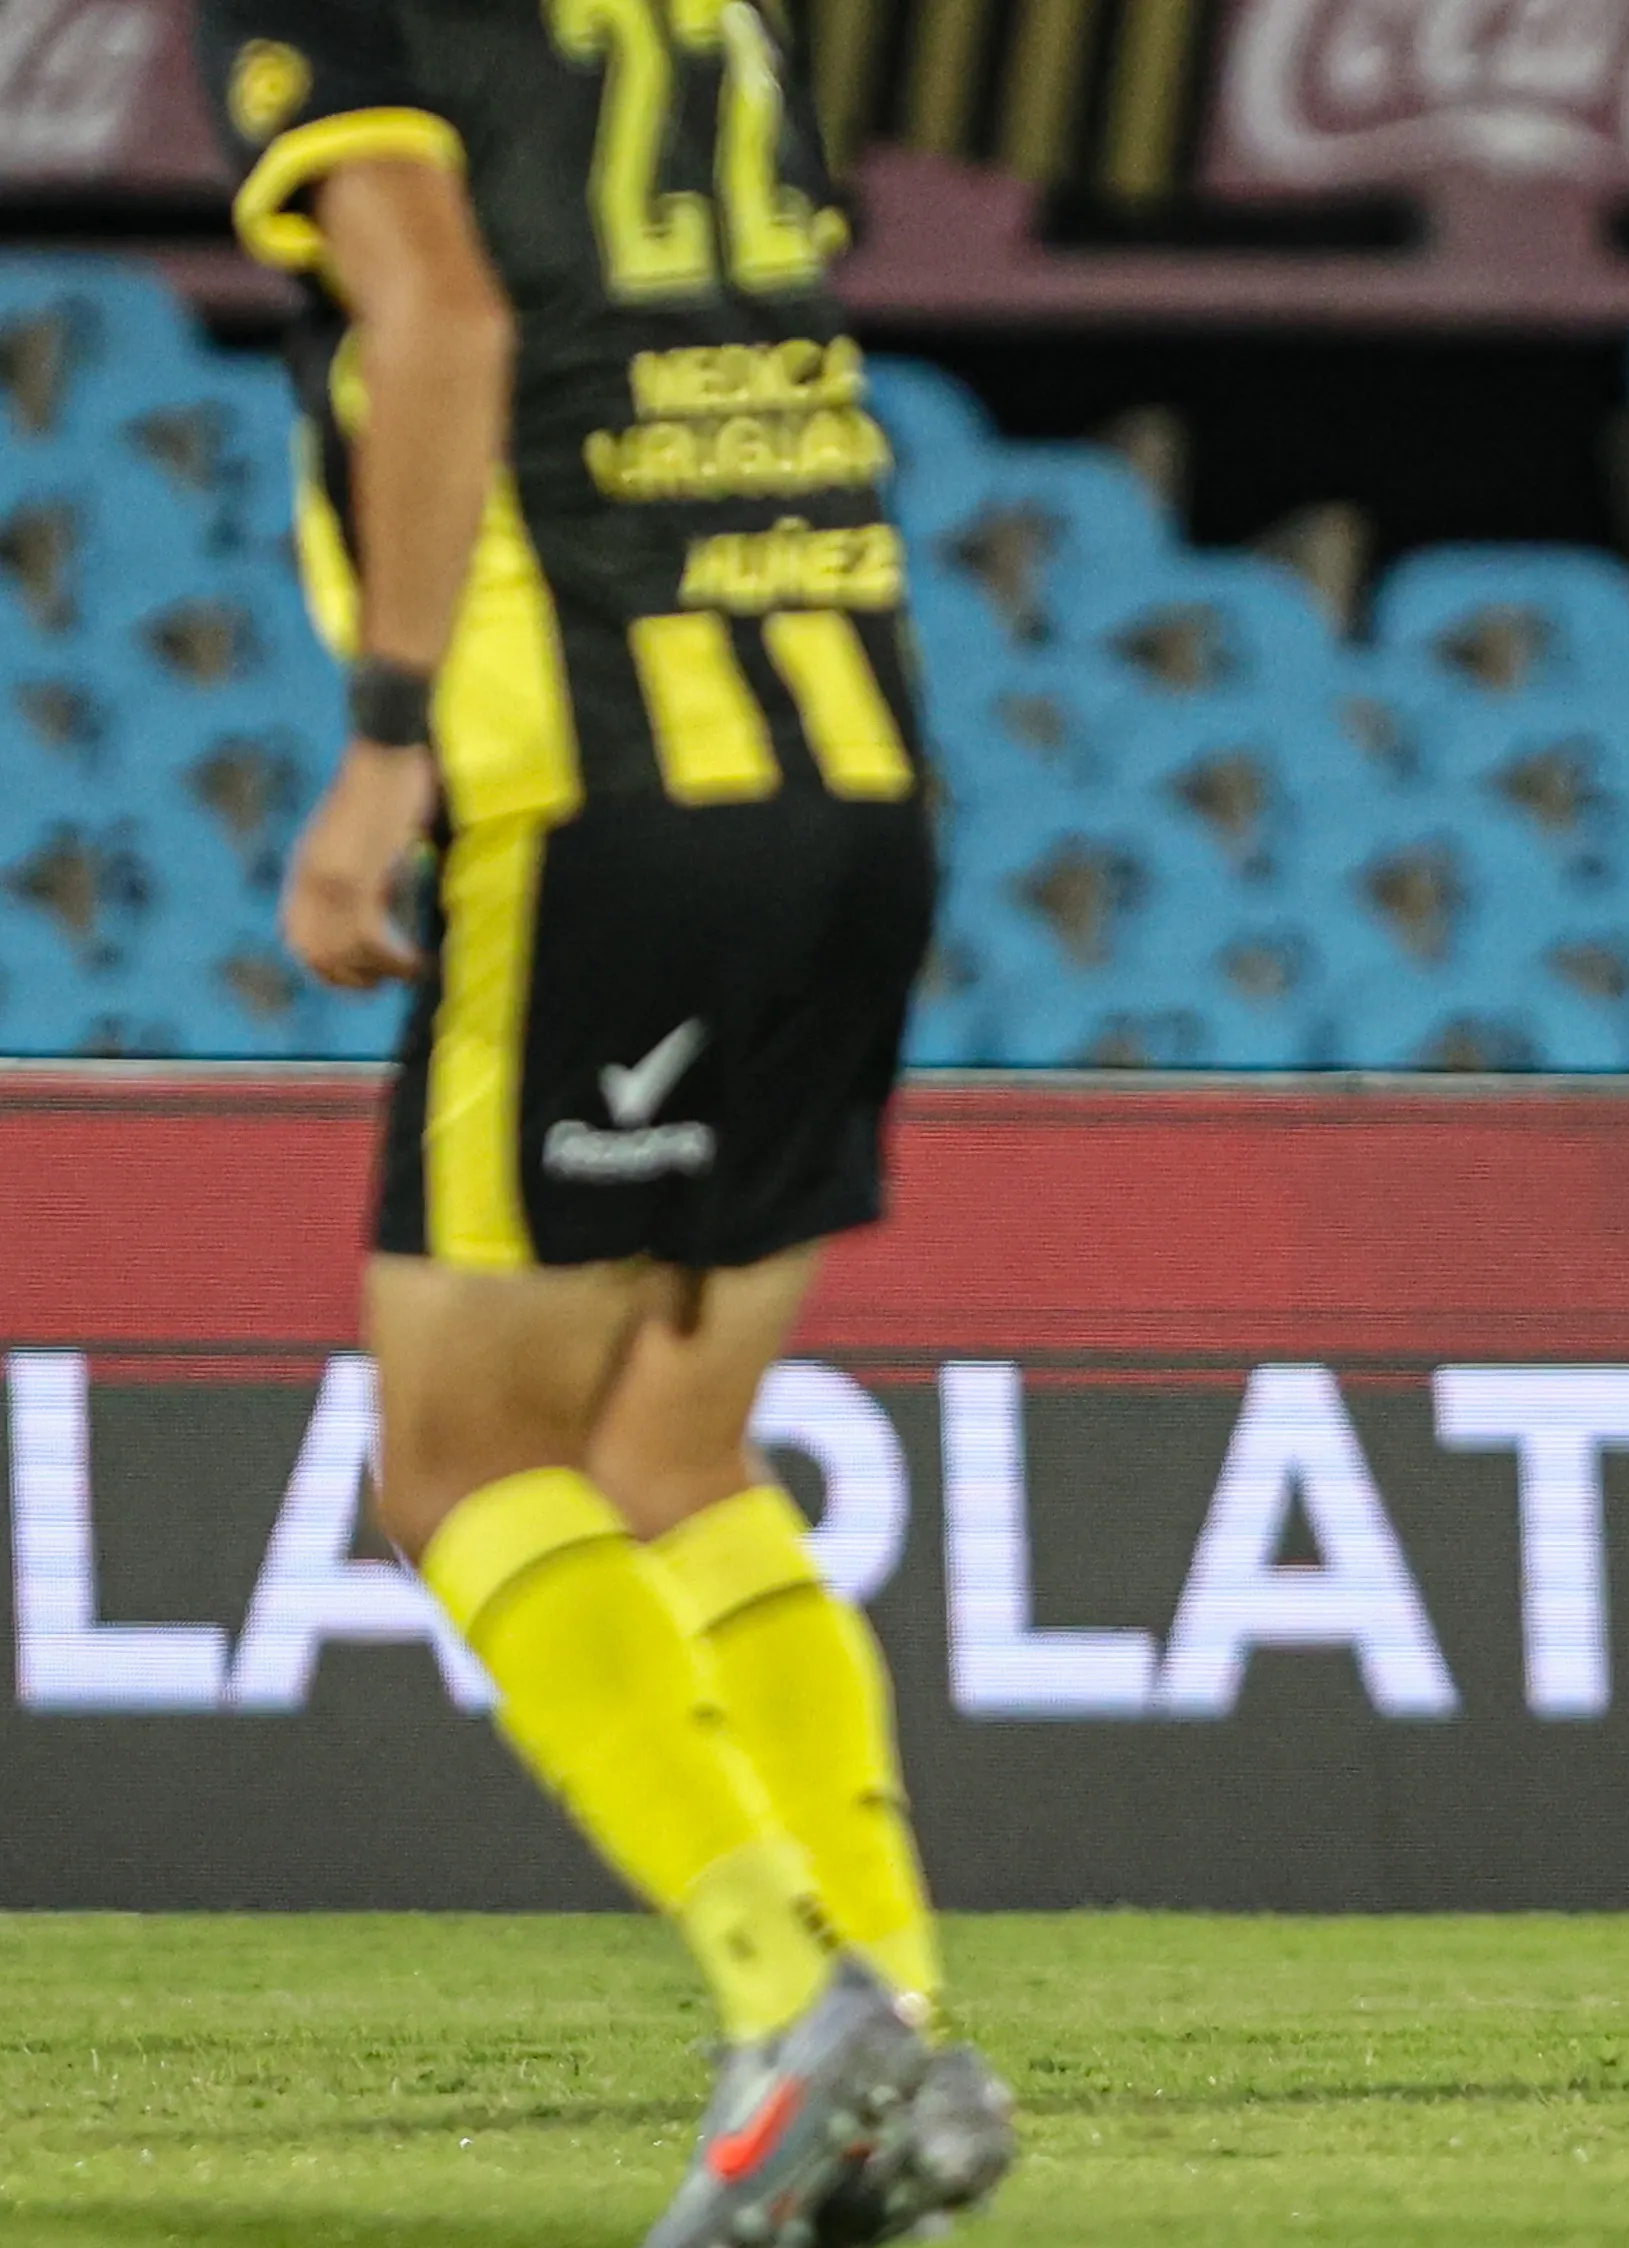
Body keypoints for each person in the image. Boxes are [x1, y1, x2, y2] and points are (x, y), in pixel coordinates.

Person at [196, 0, 1010, 2228]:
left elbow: (445, 311)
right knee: (671, 1454)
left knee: (461, 1459)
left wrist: (387, 738)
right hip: (853, 759)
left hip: (602, 780)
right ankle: (905, 2040)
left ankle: (786, 2002)